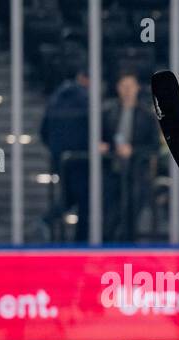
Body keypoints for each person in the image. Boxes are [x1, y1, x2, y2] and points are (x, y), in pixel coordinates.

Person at [100, 70, 158, 242]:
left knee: (131, 214)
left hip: (136, 172)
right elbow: (102, 137)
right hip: (112, 170)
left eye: (130, 86)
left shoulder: (147, 115)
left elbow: (153, 146)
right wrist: (104, 146)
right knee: (110, 216)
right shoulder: (108, 112)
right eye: (123, 86)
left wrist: (133, 151)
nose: (126, 90)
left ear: (137, 88)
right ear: (118, 88)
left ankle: (128, 252)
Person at [40, 63, 90, 240]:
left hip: (61, 159)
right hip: (82, 160)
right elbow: (90, 129)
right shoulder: (85, 99)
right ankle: (81, 242)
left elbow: (43, 131)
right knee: (85, 200)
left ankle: (48, 220)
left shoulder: (55, 98)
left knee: (70, 196)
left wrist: (56, 150)